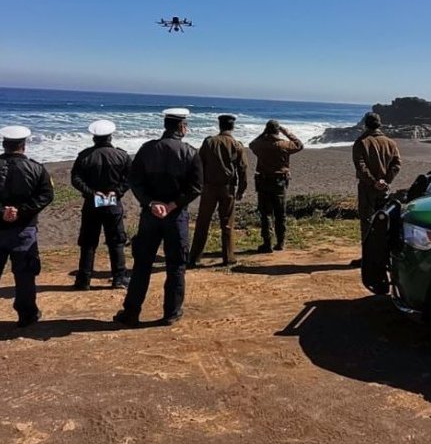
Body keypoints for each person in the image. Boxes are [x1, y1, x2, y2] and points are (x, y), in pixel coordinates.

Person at [113, 108, 202, 327]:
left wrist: (151, 203)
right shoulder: (190, 152)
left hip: (150, 215)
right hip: (176, 215)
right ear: (182, 127)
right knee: (176, 265)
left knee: (142, 264)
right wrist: (173, 205)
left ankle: (131, 312)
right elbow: (196, 187)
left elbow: (135, 181)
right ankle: (171, 312)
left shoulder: (147, 149)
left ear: (165, 126)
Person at [0, 126, 54, 330]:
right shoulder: (36, 168)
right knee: (25, 276)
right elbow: (46, 195)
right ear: (24, 145)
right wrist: (21, 211)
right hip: (24, 230)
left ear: (3, 144)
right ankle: (27, 315)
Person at [70, 119, 132, 290]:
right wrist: (117, 192)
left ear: (94, 138)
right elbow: (130, 178)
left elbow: (75, 179)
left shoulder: (85, 156)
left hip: (92, 203)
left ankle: (84, 280)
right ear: (110, 137)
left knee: (88, 242)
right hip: (113, 202)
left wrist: (92, 193)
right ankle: (119, 278)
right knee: (116, 241)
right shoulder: (122, 155)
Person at [188, 114, 248, 268]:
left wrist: (199, 184)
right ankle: (228, 257)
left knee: (203, 222)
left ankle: (194, 257)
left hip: (209, 187)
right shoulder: (236, 144)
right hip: (227, 188)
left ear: (219, 126)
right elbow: (242, 168)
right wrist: (242, 189)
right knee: (227, 223)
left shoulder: (209, 142)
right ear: (232, 127)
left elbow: (199, 163)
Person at [352, 112, 402, 265]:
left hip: (367, 188)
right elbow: (397, 164)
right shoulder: (390, 143)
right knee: (383, 222)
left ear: (365, 124)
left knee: (367, 222)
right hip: (384, 187)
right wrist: (386, 180)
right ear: (380, 124)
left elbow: (360, 166)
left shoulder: (362, 142)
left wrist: (373, 181)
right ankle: (384, 256)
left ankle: (368, 258)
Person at [248, 120, 303, 253]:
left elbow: (251, 144)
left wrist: (263, 133)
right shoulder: (284, 144)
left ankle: (267, 243)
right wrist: (286, 132)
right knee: (280, 213)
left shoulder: (261, 145)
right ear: (278, 131)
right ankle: (280, 242)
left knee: (266, 213)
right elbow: (299, 145)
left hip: (263, 181)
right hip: (279, 181)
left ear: (267, 130)